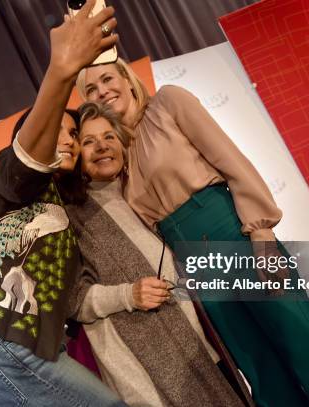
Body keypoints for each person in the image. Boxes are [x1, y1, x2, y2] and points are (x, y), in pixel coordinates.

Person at [76, 59, 309, 406]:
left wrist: (262, 237)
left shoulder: (169, 102)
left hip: (234, 238)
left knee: (308, 351)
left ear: (127, 78)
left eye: (107, 79)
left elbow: (232, 162)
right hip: (195, 267)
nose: (102, 92)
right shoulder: (119, 150)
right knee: (262, 374)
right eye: (91, 90)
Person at [0, 2, 127, 405]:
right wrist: (62, 71)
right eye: (57, 127)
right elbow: (29, 158)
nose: (69, 139)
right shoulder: (9, 175)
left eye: (74, 134)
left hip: (23, 348)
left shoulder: (64, 203)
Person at [63, 102, 252, 407]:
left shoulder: (145, 191)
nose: (102, 147)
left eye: (109, 137)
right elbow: (75, 301)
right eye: (88, 141)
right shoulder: (71, 217)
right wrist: (128, 295)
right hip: (150, 368)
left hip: (207, 345)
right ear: (76, 156)